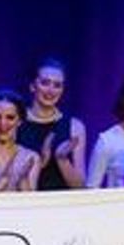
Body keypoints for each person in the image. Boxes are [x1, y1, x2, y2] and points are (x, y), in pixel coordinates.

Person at [16, 57, 87, 190]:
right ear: (32, 86)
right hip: (25, 204)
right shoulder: (16, 122)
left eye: (57, 85)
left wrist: (62, 159)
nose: (50, 90)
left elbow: (80, 187)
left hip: (62, 206)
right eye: (45, 83)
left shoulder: (75, 126)